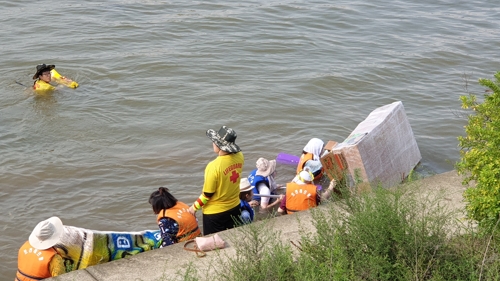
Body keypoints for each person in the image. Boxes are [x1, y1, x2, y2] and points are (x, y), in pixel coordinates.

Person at [188, 126, 244, 235]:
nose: (213, 143)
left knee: (215, 245)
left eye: (214, 141)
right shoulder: (240, 156)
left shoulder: (213, 166)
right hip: (235, 207)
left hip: (215, 214)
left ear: (219, 145)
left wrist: (194, 208)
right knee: (233, 240)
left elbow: (207, 194)